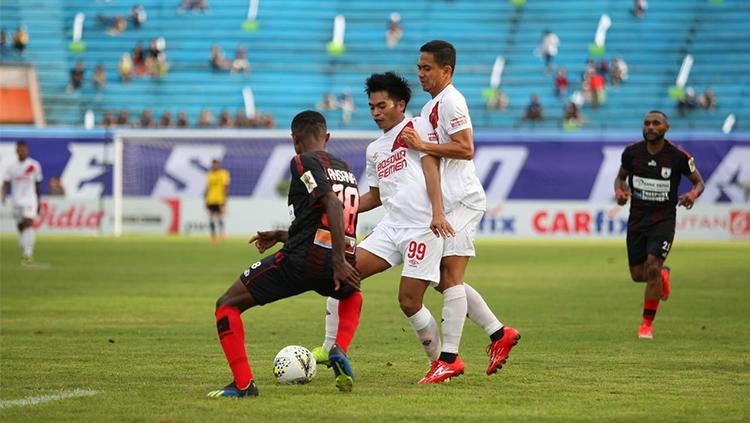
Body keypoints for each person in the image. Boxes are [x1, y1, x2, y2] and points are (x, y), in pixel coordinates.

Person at [310, 72, 454, 383]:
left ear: (400, 104)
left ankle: (440, 362)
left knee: (409, 301)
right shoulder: (374, 149)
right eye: (372, 107)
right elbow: (375, 196)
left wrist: (438, 212)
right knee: (342, 274)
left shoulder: (417, 127)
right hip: (391, 227)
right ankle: (329, 347)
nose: (376, 112)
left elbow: (433, 169)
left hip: (422, 227)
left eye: (382, 105)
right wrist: (339, 206)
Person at [207, 111, 361, 397]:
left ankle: (243, 385)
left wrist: (338, 260)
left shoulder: (302, 160)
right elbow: (328, 218)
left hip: (303, 261)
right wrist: (282, 236)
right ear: (326, 137)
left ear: (295, 140)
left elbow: (333, 206)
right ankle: (339, 348)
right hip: (334, 255)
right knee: (352, 292)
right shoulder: (345, 169)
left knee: (226, 305)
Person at [401, 40, 521, 383]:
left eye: (428, 68)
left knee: (450, 277)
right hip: (451, 203)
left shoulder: (452, 100)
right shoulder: (430, 108)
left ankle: (449, 359)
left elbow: (466, 148)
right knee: (441, 277)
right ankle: (499, 334)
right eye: (419, 68)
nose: (421, 74)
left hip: (464, 200)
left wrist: (423, 145)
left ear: (446, 71)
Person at [614, 110, 704, 340]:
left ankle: (646, 325)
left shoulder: (678, 157)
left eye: (656, 123)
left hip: (663, 221)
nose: (650, 127)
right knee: (638, 274)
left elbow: (699, 183)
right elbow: (620, 177)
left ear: (666, 128)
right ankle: (662, 276)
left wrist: (693, 194)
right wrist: (619, 192)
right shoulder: (632, 153)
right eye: (647, 123)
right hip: (637, 221)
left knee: (652, 266)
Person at [1, 142, 42, 265]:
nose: (21, 152)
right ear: (16, 151)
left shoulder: (34, 165)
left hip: (30, 199)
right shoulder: (11, 167)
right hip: (16, 200)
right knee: (20, 227)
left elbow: (38, 184)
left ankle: (28, 253)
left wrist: (39, 201)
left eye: (23, 150)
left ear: (27, 151)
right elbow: (6, 182)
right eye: (19, 150)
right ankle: (25, 247)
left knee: (28, 222)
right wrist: (3, 195)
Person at [205, 159, 230, 242]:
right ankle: (213, 236)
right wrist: (206, 199)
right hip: (211, 199)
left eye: (216, 164)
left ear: (219, 165)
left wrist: (225, 198)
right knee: (211, 218)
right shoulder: (209, 174)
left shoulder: (223, 173)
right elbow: (208, 187)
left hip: (219, 199)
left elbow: (226, 186)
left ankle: (222, 234)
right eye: (213, 165)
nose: (214, 166)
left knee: (220, 217)